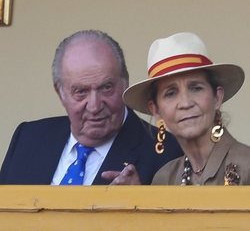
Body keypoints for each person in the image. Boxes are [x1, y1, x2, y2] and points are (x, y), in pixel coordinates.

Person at [0, 30, 183, 185]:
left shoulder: (168, 153)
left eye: (106, 88)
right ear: (60, 93)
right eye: (80, 92)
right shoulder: (28, 137)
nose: (94, 106)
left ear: (125, 83)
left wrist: (140, 204)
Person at [123, 32, 250, 185]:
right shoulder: (164, 179)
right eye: (171, 93)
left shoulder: (246, 166)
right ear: (156, 110)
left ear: (217, 97)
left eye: (196, 88)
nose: (185, 103)